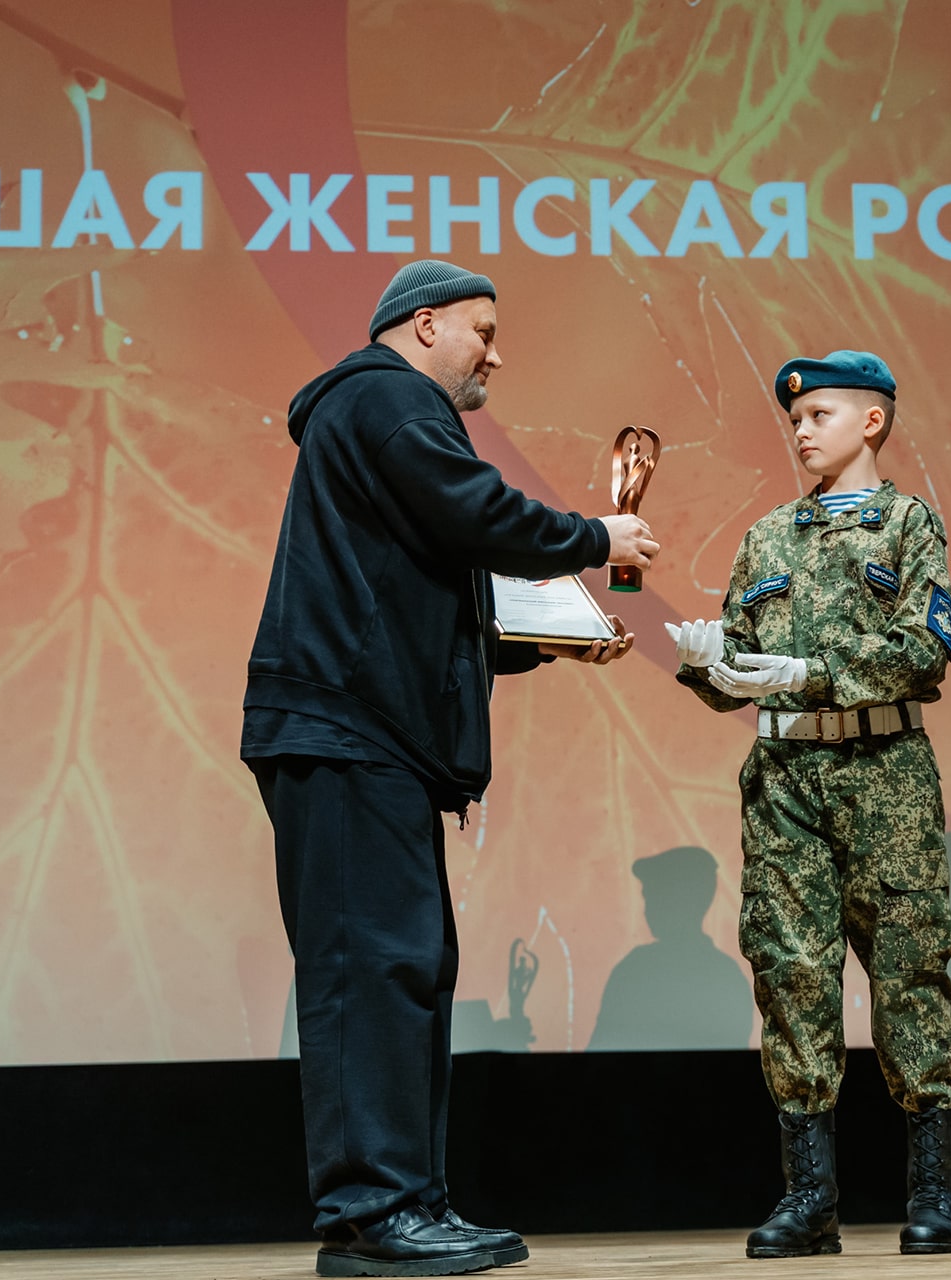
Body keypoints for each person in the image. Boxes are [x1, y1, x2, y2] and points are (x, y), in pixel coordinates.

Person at [241, 260, 659, 1277]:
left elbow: (430, 581)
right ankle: (375, 1211)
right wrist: (594, 537)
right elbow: (474, 511)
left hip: (366, 735)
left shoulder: (376, 418)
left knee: (404, 962)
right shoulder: (386, 397)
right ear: (422, 325)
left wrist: (546, 635)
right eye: (483, 328)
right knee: (370, 964)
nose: (496, 351)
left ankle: (402, 1201)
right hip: (344, 731)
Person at [667, 351, 951, 1259]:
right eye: (796, 417)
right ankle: (810, 1199)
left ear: (873, 420)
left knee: (909, 973)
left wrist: (815, 674)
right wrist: (708, 664)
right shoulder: (765, 538)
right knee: (792, 974)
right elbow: (745, 668)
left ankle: (936, 1193)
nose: (802, 428)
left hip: (884, 769)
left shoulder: (909, 523)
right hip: (786, 780)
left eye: (823, 413)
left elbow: (926, 649)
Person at [588, 845, 754, 1051]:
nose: (648, 908)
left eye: (652, 896)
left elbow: (598, 1055)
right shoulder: (728, 974)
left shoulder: (636, 970)